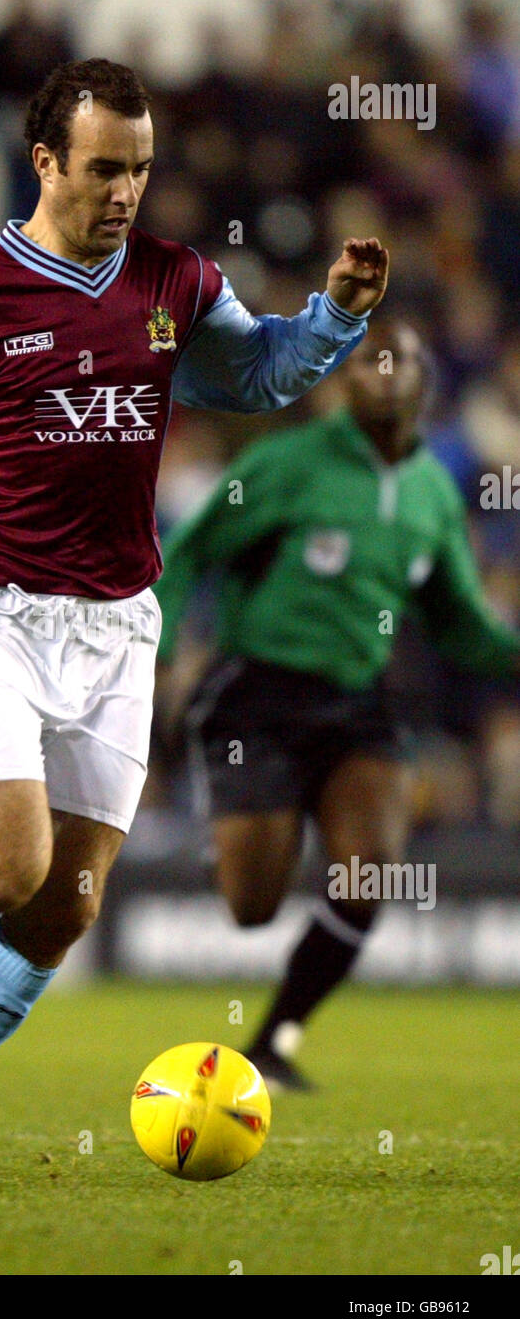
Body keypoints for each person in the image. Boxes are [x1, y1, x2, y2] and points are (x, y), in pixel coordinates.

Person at [0, 58, 388, 1175]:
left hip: (115, 628)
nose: (124, 191)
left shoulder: (175, 283)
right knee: (1, 870)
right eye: (103, 169)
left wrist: (333, 315)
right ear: (44, 161)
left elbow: (253, 377)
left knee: (63, 906)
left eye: (140, 170)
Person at [154, 319, 520, 1091]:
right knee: (252, 905)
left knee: (369, 876)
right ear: (340, 381)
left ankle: (274, 1041)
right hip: (255, 696)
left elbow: (462, 624)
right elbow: (189, 553)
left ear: (428, 380)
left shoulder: (431, 492)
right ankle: (240, 835)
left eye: (404, 357)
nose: (385, 369)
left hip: (358, 702)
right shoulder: (285, 465)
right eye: (367, 358)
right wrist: (151, 653)